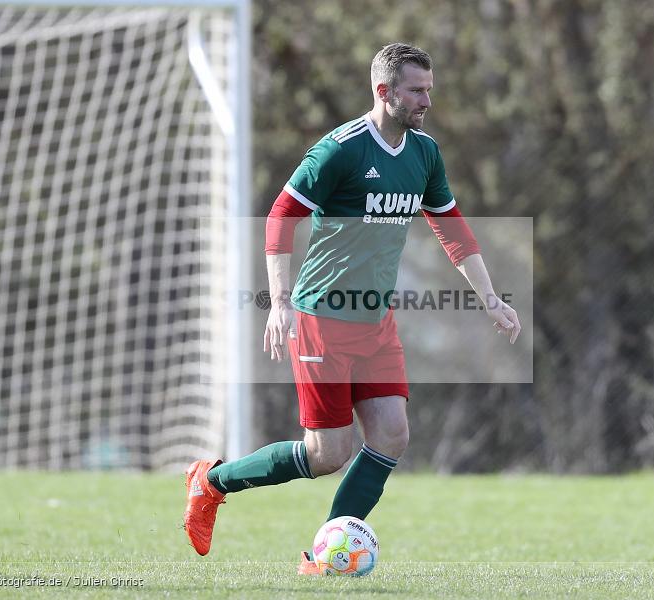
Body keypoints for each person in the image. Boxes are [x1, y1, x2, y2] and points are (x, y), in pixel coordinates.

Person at [183, 42, 521, 572]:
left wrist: (491, 299)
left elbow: (451, 229)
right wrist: (279, 301)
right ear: (384, 91)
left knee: (392, 434)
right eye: (416, 91)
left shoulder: (424, 153)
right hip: (322, 320)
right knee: (327, 454)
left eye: (429, 90)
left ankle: (320, 557)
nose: (427, 101)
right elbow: (280, 217)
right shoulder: (340, 150)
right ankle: (211, 481)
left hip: (376, 323)